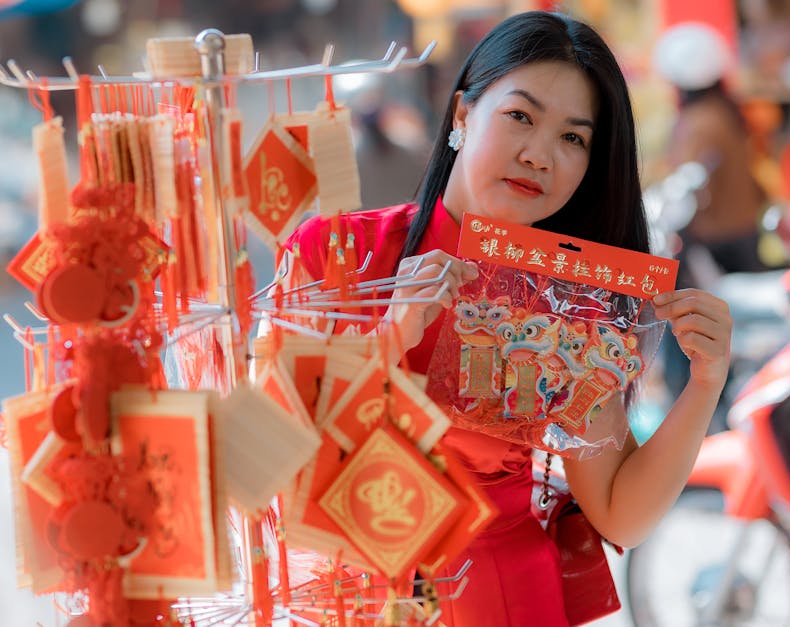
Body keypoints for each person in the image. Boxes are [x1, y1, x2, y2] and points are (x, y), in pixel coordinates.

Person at [280, 11, 732, 626]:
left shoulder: (571, 303)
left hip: (503, 600)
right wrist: (389, 340)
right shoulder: (333, 256)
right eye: (520, 116)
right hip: (344, 599)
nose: (538, 155)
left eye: (574, 138)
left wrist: (705, 385)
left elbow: (619, 511)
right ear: (463, 115)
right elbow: (277, 464)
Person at [653, 21, 771, 288]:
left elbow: (686, 186)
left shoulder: (699, 123)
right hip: (743, 227)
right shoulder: (726, 110)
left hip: (719, 237)